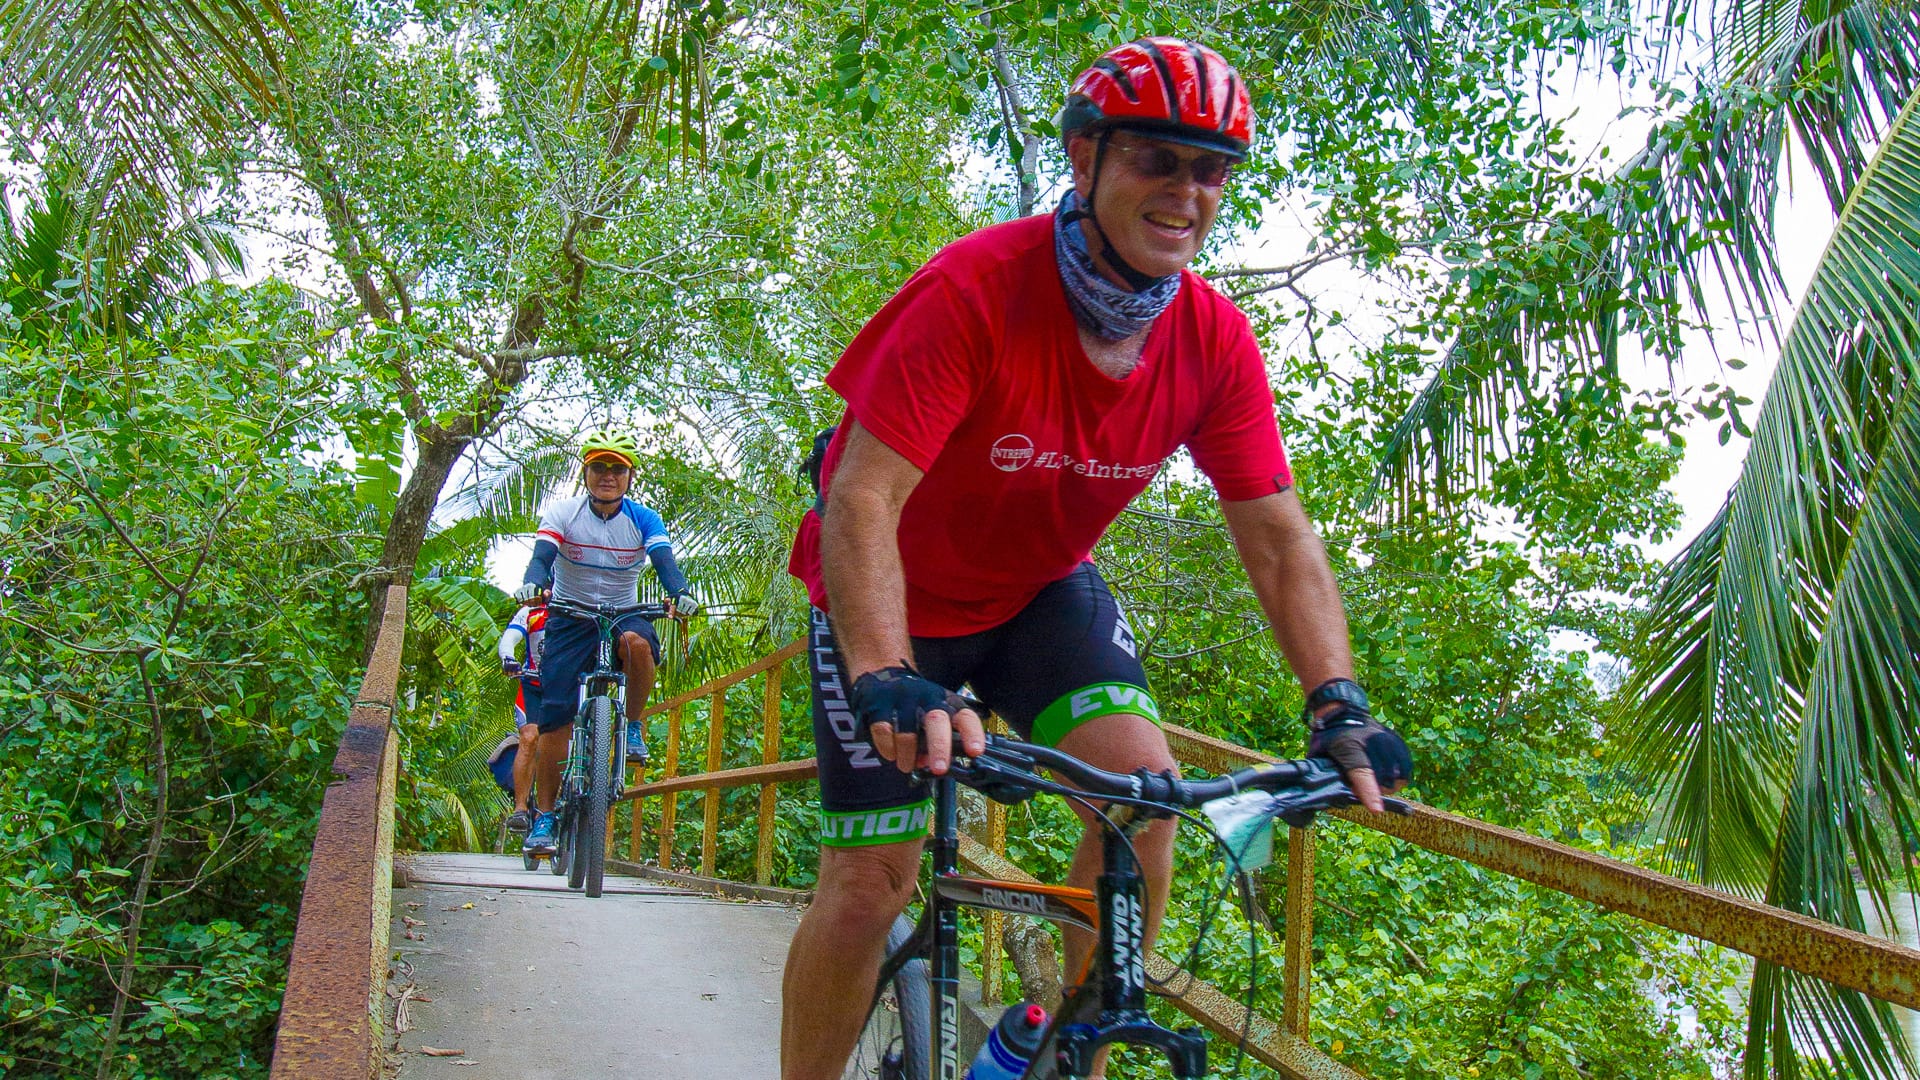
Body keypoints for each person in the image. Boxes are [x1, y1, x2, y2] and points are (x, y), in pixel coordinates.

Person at [778, 38, 1412, 1079]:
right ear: (1084, 158)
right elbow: (863, 499)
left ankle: (1067, 1051)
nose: (1188, 193)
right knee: (869, 885)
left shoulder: (1210, 340)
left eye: (1212, 170)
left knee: (1147, 795)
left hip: (1036, 591)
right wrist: (883, 673)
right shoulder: (975, 289)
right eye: (1157, 160)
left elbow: (1277, 534)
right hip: (893, 602)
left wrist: (1336, 698)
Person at [514, 430, 698, 857]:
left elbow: (664, 562)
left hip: (622, 611)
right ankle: (544, 817)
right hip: (569, 614)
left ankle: (632, 725)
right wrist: (532, 583)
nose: (608, 476)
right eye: (599, 467)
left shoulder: (644, 518)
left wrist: (679, 592)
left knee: (637, 643)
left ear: (630, 476)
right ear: (585, 473)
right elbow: (542, 556)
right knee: (555, 720)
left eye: (617, 468)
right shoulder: (564, 513)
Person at [496, 601, 548, 833]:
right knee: (529, 738)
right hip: (533, 686)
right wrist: (507, 657)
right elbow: (511, 636)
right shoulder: (531, 612)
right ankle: (520, 809)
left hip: (570, 686)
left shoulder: (585, 606)